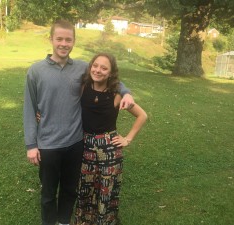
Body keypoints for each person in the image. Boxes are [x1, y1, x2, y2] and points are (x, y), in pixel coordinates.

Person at [23, 19, 134, 225]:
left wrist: (126, 92)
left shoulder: (83, 68)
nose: (63, 44)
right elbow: (29, 109)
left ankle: (64, 221)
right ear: (51, 39)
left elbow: (110, 77)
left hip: (76, 143)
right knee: (48, 193)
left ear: (73, 41)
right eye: (59, 39)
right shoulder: (36, 71)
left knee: (69, 188)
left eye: (68, 39)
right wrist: (31, 145)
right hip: (48, 144)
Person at [74, 53, 148, 225]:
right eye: (96, 65)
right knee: (85, 188)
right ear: (91, 66)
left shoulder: (116, 95)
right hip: (85, 146)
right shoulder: (84, 87)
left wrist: (127, 139)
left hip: (109, 150)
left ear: (111, 72)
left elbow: (142, 115)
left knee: (105, 191)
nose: (98, 70)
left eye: (104, 68)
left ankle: (105, 221)